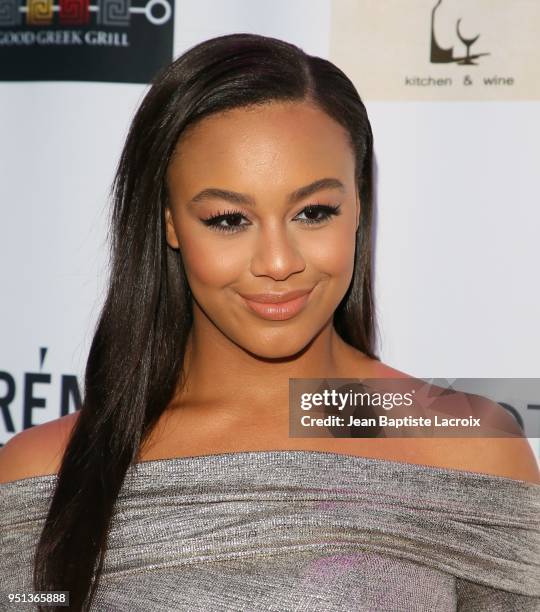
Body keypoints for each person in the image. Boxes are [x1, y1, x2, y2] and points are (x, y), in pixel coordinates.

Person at [0, 33, 538, 612]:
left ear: (358, 206)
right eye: (229, 219)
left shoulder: (470, 447)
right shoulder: (39, 475)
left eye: (314, 212)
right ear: (170, 224)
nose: (279, 262)